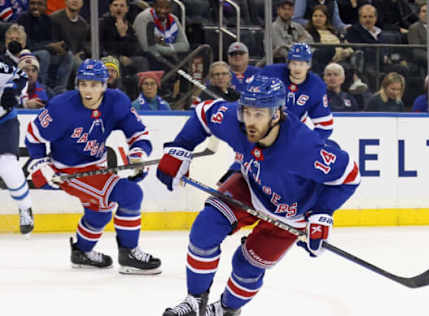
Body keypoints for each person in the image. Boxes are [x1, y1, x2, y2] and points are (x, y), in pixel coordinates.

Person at [155, 75, 360, 316]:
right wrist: (180, 148)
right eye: (247, 112)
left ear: (277, 114)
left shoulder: (304, 147)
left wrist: (322, 215)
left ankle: (227, 310)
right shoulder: (235, 120)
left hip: (291, 214)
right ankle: (194, 302)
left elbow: (349, 176)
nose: (250, 122)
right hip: (250, 187)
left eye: (259, 114)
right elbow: (204, 114)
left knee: (247, 267)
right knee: (205, 230)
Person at [25, 59, 161, 274]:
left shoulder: (116, 102)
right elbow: (33, 136)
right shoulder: (61, 108)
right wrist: (41, 163)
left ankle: (81, 251)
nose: (88, 90)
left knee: (100, 212)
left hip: (97, 166)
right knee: (131, 194)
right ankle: (129, 253)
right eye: (83, 84)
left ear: (104, 85)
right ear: (77, 84)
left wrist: (137, 156)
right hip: (67, 171)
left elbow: (139, 134)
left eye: (95, 84)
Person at [259, 43, 333, 140]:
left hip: (292, 135)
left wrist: (308, 142)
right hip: (264, 132)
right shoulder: (270, 74)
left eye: (301, 64)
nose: (297, 68)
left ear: (308, 65)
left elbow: (325, 127)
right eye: (294, 63)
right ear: (288, 64)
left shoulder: (316, 86)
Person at [0, 60, 34, 235]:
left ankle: (25, 207)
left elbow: (21, 76)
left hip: (4, 122)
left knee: (7, 165)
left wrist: (11, 90)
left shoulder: (1, 67)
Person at [17, 0, 74, 94]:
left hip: (47, 52)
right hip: (27, 55)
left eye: (39, 4)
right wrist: (48, 46)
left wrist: (62, 47)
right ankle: (40, 87)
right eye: (32, 3)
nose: (35, 7)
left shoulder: (49, 20)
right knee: (44, 54)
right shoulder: (23, 19)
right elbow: (27, 45)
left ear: (45, 7)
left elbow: (58, 40)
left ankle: (60, 89)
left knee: (68, 55)